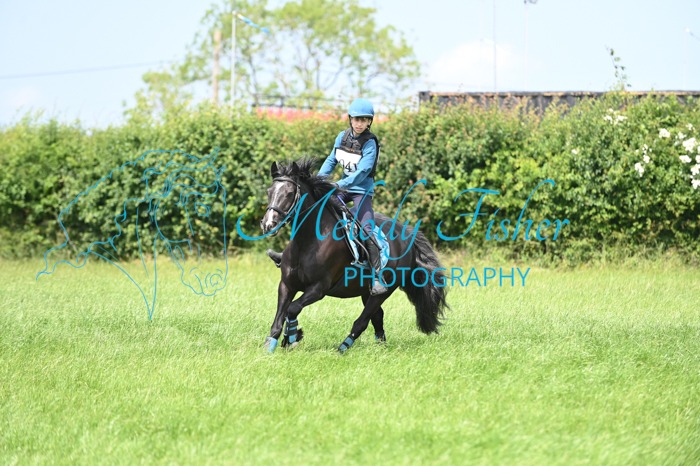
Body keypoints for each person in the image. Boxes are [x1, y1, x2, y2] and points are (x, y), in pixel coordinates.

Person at [267, 98, 387, 295]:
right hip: (343, 187)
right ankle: (288, 255)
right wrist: (318, 181)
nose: (359, 123)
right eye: (356, 119)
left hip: (361, 191)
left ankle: (376, 277)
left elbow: (363, 172)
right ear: (350, 119)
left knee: (366, 230)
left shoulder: (370, 143)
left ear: (369, 122)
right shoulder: (342, 137)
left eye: (364, 120)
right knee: (310, 213)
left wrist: (339, 184)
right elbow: (331, 160)